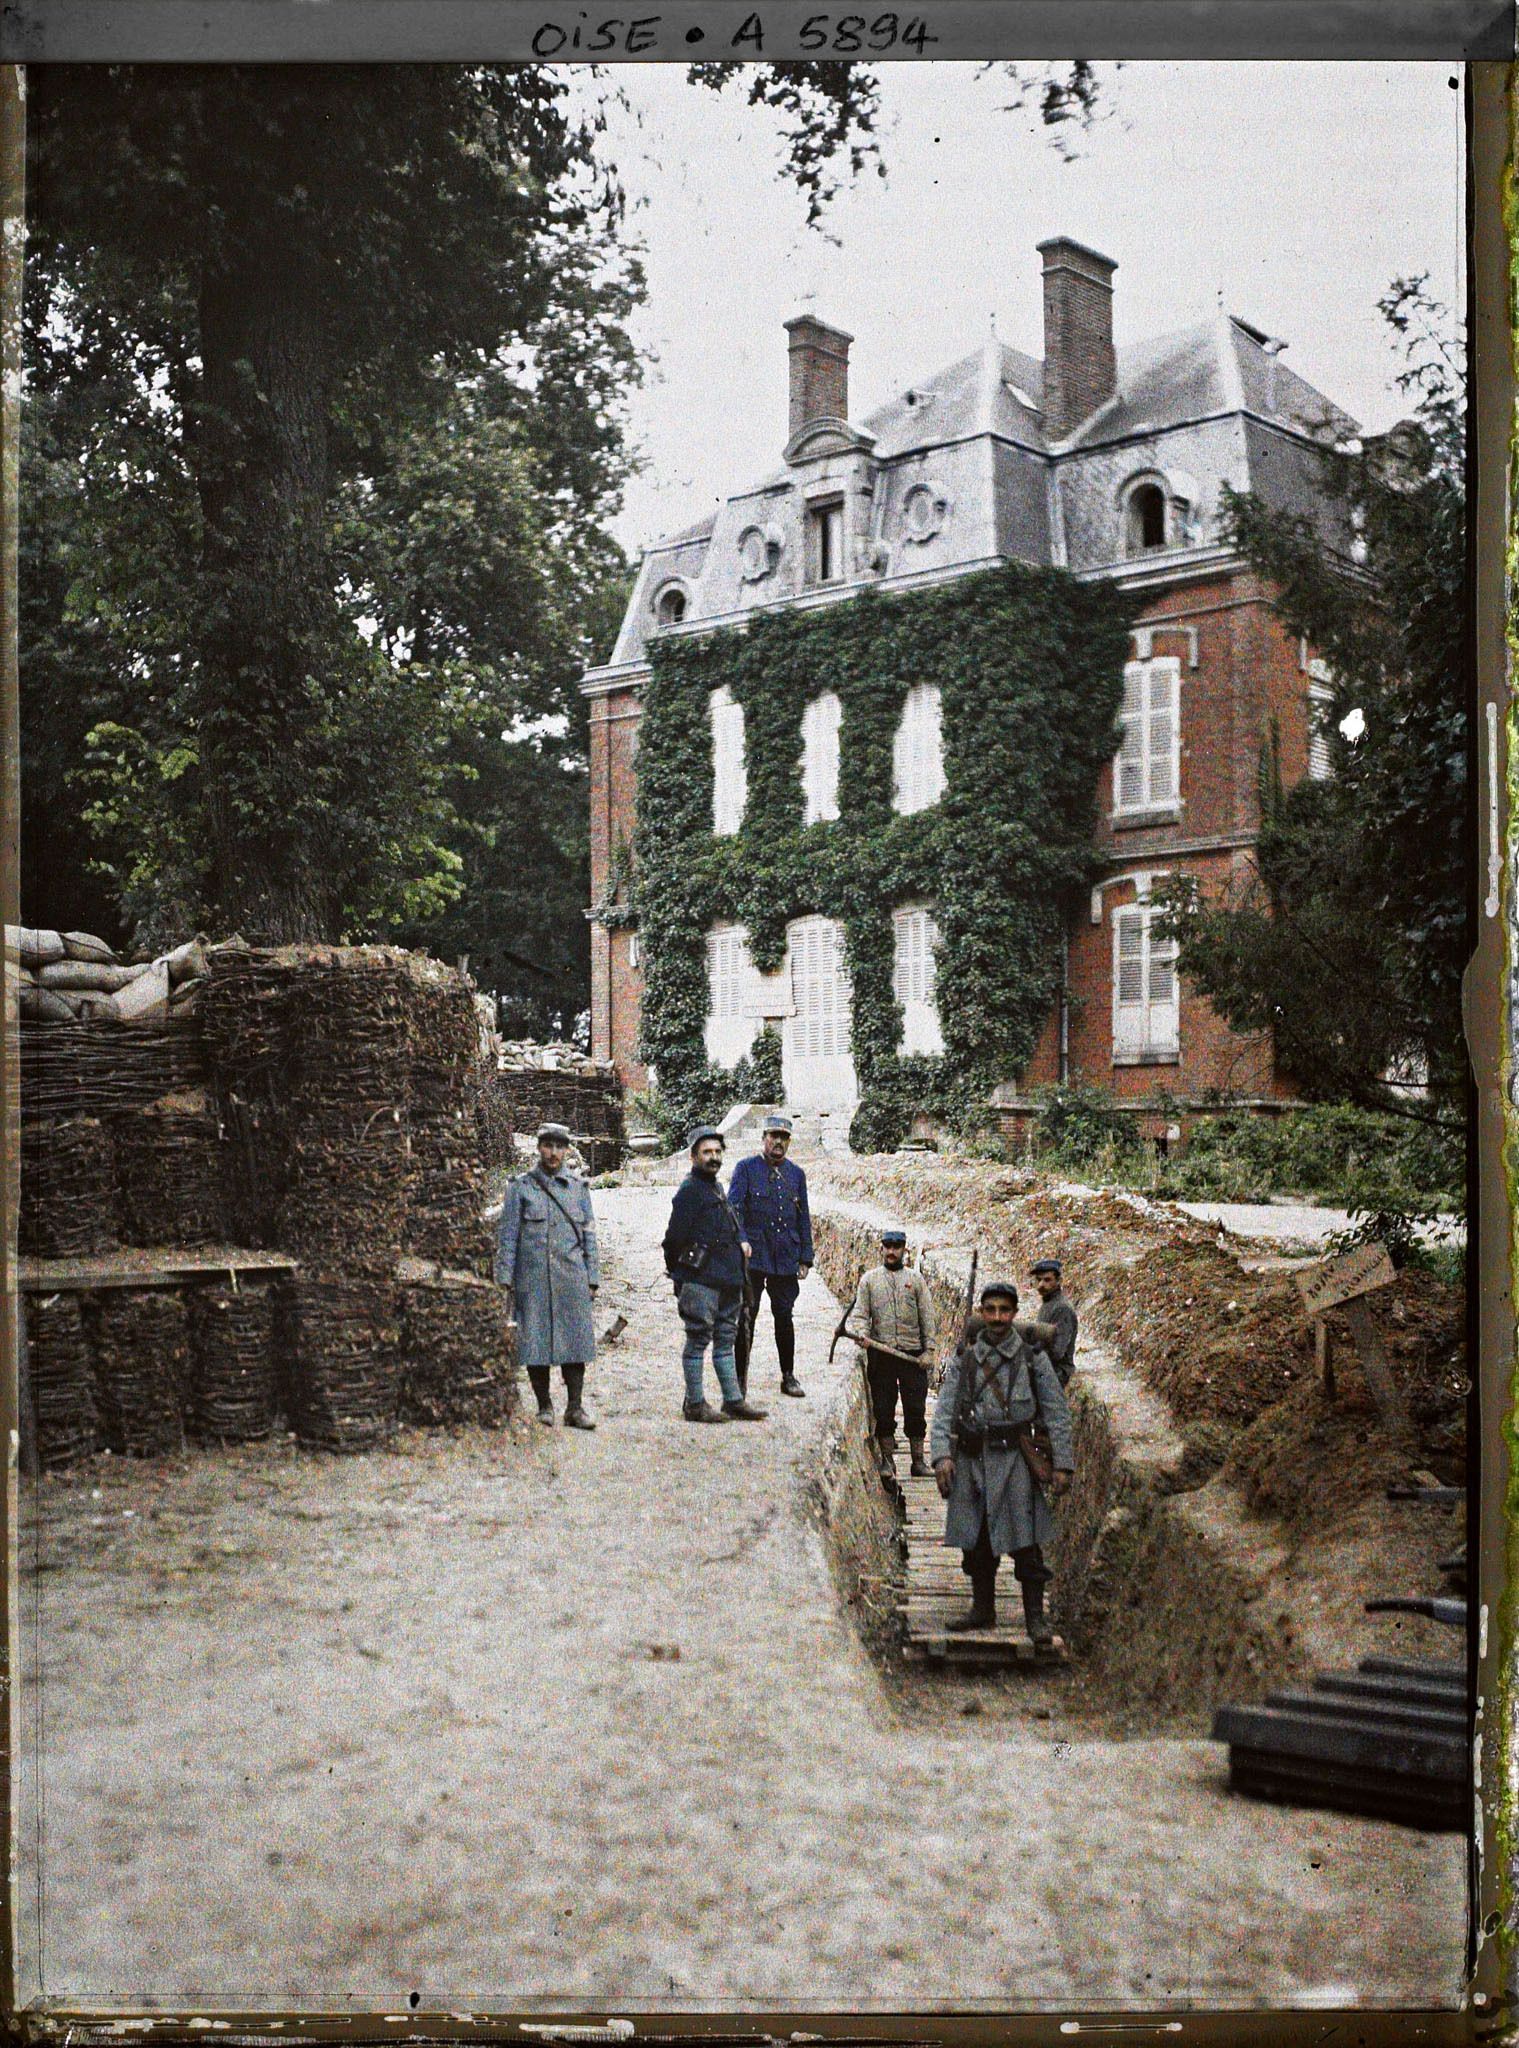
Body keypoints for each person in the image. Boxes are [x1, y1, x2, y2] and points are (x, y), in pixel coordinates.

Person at [930, 1279, 1074, 1645]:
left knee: (1027, 1543)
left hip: (1015, 1463)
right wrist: (941, 1456)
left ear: (1014, 1314)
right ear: (981, 1312)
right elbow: (945, 1408)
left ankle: (1035, 1619)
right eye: (990, 1310)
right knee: (976, 1540)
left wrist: (1062, 1465)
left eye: (1004, 1310)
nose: (997, 1317)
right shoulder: (965, 1358)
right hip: (973, 1461)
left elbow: (1057, 1413)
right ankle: (982, 1609)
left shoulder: (1032, 1359)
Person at [496, 1122, 600, 1430]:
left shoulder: (579, 1189)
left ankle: (575, 1408)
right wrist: (505, 1278)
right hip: (533, 1278)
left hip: (571, 1277)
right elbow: (508, 1236)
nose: (553, 1153)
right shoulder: (520, 1188)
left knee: (576, 1341)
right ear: (539, 1148)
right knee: (535, 1341)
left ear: (567, 1150)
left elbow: (589, 1235)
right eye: (547, 1146)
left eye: (559, 1147)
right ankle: (544, 1406)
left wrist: (592, 1276)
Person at [662, 1127, 769, 1425]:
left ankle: (733, 1400)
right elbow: (673, 1239)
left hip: (728, 1281)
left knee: (725, 1340)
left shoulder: (716, 1188)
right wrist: (681, 1277)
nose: (714, 1158)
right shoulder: (689, 1191)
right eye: (707, 1152)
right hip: (701, 1281)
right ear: (693, 1156)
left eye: (718, 1152)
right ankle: (694, 1404)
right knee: (698, 1340)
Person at [728, 1113, 813, 1399]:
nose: (778, 1142)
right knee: (746, 1317)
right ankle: (740, 1380)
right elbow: (734, 1209)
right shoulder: (746, 1169)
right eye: (773, 1136)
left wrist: (805, 1257)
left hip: (785, 1258)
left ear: (788, 1142)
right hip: (754, 1257)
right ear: (763, 1138)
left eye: (784, 1137)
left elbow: (804, 1219)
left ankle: (788, 1376)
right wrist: (740, 1240)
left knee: (784, 1317)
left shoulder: (796, 1175)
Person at [847, 1228, 936, 1477]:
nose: (891, 1252)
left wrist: (928, 1350)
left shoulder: (916, 1281)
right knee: (884, 1411)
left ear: (904, 1250)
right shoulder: (869, 1280)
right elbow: (861, 1315)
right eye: (887, 1247)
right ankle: (888, 1462)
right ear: (882, 1249)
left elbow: (927, 1317)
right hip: (882, 1355)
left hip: (911, 1356)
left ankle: (918, 1462)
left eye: (896, 1247)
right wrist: (862, 1334)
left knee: (915, 1410)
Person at [1030, 1256, 1078, 1387]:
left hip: (1057, 1372)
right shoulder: (1048, 1304)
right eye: (1038, 1280)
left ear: (1058, 1281)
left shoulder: (1062, 1309)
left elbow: (1057, 1352)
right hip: (1045, 1367)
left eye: (1047, 1280)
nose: (1041, 1285)